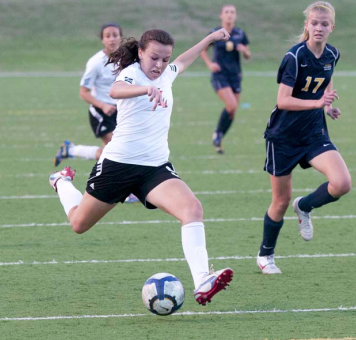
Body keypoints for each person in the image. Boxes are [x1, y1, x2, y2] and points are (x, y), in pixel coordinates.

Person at [49, 28, 234, 305]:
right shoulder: (132, 74)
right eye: (154, 58)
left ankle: (202, 281)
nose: (159, 65)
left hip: (155, 168)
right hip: (118, 166)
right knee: (78, 224)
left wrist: (208, 40)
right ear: (140, 53)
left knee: (192, 209)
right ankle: (61, 180)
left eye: (164, 59)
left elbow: (182, 61)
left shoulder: (167, 71)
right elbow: (115, 89)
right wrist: (145, 88)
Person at [256, 1, 351, 274]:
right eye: (314, 23)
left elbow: (326, 78)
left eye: (324, 24)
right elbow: (283, 101)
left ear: (331, 27)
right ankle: (265, 255)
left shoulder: (332, 54)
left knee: (342, 183)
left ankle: (305, 206)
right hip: (283, 137)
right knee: (280, 201)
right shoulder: (294, 57)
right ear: (306, 26)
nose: (319, 28)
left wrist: (328, 105)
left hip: (313, 132)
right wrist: (317, 103)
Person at [53, 23, 138, 203]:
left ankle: (71, 149)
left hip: (121, 111)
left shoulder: (127, 59)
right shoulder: (95, 62)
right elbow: (83, 92)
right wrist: (103, 105)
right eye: (108, 35)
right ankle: (127, 190)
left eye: (115, 35)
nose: (112, 38)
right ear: (102, 39)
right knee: (119, 150)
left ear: (121, 37)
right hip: (101, 112)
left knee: (113, 151)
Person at [201, 4, 251, 154]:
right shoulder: (215, 33)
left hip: (235, 76)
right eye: (227, 12)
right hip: (220, 75)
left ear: (235, 16)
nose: (229, 15)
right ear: (221, 16)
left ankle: (219, 135)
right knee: (231, 104)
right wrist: (210, 64)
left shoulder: (240, 34)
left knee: (232, 111)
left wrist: (245, 51)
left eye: (232, 12)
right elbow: (203, 49)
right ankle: (218, 133)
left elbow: (248, 55)